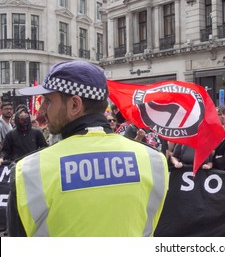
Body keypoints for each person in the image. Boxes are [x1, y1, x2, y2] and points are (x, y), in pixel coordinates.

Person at [9, 60, 168, 237]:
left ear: (74, 105)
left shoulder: (29, 171)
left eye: (48, 101)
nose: (42, 110)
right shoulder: (154, 161)